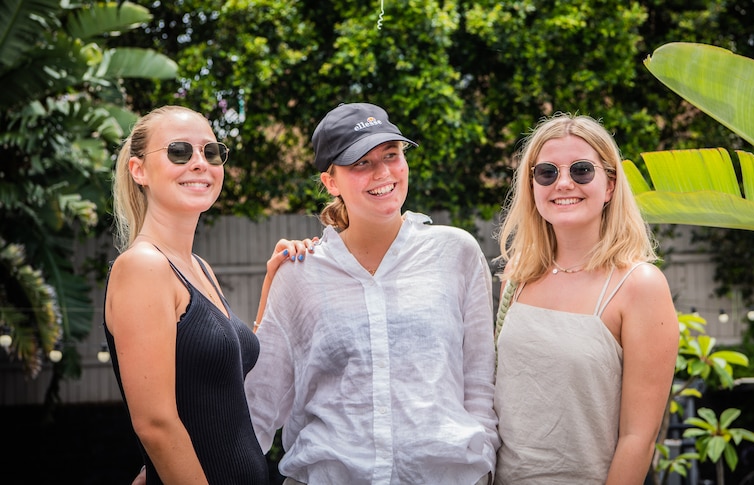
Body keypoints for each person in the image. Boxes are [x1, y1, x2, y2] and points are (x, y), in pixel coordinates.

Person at [244, 102, 500, 485]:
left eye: (391, 155)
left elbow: (480, 380)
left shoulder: (456, 252)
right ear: (330, 182)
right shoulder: (300, 272)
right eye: (361, 163)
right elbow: (258, 406)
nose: (383, 173)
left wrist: (482, 463)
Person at [105, 105, 310, 485]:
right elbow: (155, 424)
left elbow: (226, 378)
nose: (200, 163)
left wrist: (274, 279)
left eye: (211, 152)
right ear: (139, 170)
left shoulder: (197, 267)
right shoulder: (144, 267)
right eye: (179, 152)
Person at [492, 113, 679, 484]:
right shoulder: (518, 276)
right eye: (546, 172)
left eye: (581, 171)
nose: (563, 183)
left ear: (610, 185)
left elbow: (637, 439)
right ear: (531, 186)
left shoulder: (639, 285)